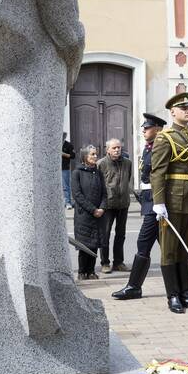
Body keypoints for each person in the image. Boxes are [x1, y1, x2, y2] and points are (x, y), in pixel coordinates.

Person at [150, 92, 188, 313]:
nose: (187, 110)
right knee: (170, 250)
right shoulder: (165, 137)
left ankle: (186, 294)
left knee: (187, 249)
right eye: (182, 108)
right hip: (172, 200)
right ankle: (172, 296)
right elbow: (158, 172)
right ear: (172, 112)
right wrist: (158, 202)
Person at [112, 113, 167, 300]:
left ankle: (134, 286)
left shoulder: (161, 147)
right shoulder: (148, 148)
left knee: (143, 243)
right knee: (166, 244)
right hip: (149, 200)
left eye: (148, 127)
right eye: (143, 127)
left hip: (157, 202)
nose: (143, 129)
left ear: (158, 129)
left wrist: (160, 202)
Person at [96, 138, 132, 274]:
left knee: (120, 235)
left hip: (123, 203)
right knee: (104, 235)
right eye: (114, 148)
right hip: (107, 205)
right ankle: (105, 263)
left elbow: (127, 179)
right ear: (107, 150)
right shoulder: (101, 164)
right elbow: (98, 185)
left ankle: (118, 262)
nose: (117, 150)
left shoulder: (127, 163)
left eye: (118, 147)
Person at [71, 144, 106, 280]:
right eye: (92, 154)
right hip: (84, 215)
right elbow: (77, 195)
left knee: (94, 244)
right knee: (84, 244)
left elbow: (104, 193)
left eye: (96, 154)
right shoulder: (77, 173)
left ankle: (91, 271)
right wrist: (93, 209)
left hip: (98, 214)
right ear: (85, 157)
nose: (95, 156)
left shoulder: (98, 172)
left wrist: (102, 208)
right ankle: (82, 271)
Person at [62, 133, 75, 208]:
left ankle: (68, 202)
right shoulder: (55, 144)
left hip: (64, 168)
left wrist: (64, 154)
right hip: (55, 169)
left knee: (66, 186)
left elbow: (73, 156)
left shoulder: (68, 145)